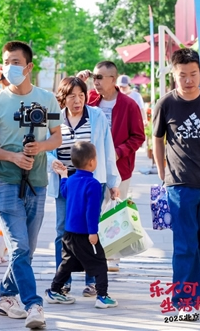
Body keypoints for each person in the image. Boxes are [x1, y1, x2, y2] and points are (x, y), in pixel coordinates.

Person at [0, 41, 62, 329]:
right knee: (18, 246)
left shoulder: (47, 99)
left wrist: (39, 148)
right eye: (6, 62)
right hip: (5, 181)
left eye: (15, 62)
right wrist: (13, 156)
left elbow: (57, 136)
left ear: (29, 67)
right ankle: (33, 305)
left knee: (27, 248)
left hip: (37, 182)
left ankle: (5, 296)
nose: (9, 67)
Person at [152, 48, 200, 316]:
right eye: (182, 75)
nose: (189, 80)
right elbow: (157, 139)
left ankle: (199, 283)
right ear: (174, 74)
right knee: (185, 244)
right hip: (180, 184)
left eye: (193, 74)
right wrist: (162, 173)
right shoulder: (166, 104)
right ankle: (185, 301)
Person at [47, 76, 119, 297]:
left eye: (81, 95)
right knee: (63, 231)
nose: (77, 101)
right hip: (66, 182)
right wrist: (52, 161)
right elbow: (46, 148)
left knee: (91, 228)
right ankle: (63, 281)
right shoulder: (55, 118)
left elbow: (107, 148)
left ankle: (92, 281)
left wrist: (113, 182)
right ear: (63, 98)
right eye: (72, 96)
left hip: (91, 182)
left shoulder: (96, 116)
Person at [83, 61, 144, 271]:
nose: (96, 81)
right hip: (90, 167)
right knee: (91, 210)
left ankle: (112, 257)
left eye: (100, 77)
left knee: (115, 211)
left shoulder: (129, 105)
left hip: (119, 168)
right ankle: (91, 255)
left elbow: (138, 136)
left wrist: (118, 152)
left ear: (113, 79)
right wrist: (78, 82)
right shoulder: (90, 100)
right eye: (94, 77)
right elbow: (65, 109)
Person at [45, 141, 118, 309]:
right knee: (100, 262)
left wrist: (64, 176)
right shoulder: (93, 184)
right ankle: (102, 296)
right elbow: (92, 211)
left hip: (69, 233)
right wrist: (93, 232)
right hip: (85, 233)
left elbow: (64, 192)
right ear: (92, 162)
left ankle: (54, 289)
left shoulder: (71, 180)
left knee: (67, 263)